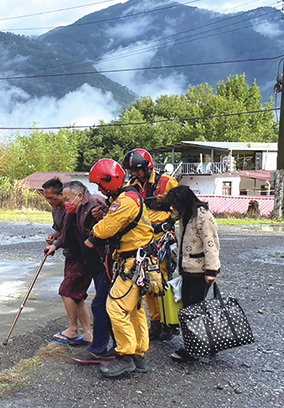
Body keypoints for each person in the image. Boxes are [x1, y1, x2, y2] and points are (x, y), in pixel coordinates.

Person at [86, 159, 154, 378]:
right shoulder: (127, 197)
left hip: (133, 262)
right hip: (136, 261)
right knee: (134, 309)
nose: (99, 189)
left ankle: (125, 356)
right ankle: (138, 356)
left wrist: (93, 234)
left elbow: (105, 230)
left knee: (115, 307)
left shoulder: (126, 201)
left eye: (100, 184)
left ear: (110, 180)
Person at [53, 181, 116, 365]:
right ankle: (107, 347)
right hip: (90, 263)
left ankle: (101, 349)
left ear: (79, 195)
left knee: (103, 306)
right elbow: (64, 234)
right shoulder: (74, 210)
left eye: (67, 199)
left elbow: (110, 226)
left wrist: (97, 226)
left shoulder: (95, 203)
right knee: (101, 305)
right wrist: (54, 245)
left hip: (103, 263)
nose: (66, 203)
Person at [124, 148, 179, 342]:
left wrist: (168, 217)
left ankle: (169, 323)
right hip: (143, 241)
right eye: (131, 170)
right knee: (146, 283)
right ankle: (155, 322)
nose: (134, 174)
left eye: (137, 170)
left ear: (148, 167)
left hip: (162, 239)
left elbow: (182, 205)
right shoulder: (132, 186)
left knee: (162, 281)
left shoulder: (167, 182)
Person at [163, 185, 221, 363]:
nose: (174, 208)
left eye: (176, 205)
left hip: (200, 271)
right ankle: (203, 345)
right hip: (188, 270)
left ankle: (193, 349)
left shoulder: (202, 216)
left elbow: (210, 243)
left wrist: (211, 270)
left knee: (193, 311)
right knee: (190, 309)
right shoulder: (186, 215)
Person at [43, 177, 92, 345]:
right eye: (47, 198)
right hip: (70, 255)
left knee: (66, 291)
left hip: (82, 256)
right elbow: (60, 232)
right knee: (77, 296)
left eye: (52, 198)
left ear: (62, 195)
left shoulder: (74, 208)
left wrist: (56, 245)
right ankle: (88, 333)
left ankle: (72, 329)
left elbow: (69, 234)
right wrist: (53, 239)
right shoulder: (56, 210)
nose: (50, 202)